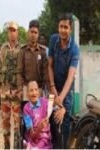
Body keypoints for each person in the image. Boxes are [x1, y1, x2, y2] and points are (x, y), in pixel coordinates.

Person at [48, 13, 79, 148]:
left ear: (70, 29)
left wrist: (60, 99)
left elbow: (71, 76)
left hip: (66, 94)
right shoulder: (53, 40)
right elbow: (49, 65)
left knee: (64, 124)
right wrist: (53, 89)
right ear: (58, 27)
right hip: (52, 89)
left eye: (66, 27)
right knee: (50, 121)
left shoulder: (74, 50)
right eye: (61, 27)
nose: (63, 30)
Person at [0, 21, 21, 149]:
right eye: (10, 30)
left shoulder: (21, 49)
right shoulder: (3, 49)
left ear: (17, 33)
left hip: (17, 93)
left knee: (18, 125)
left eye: (14, 30)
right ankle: (7, 147)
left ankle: (17, 146)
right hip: (5, 92)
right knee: (5, 124)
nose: (12, 33)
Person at [17, 20, 47, 100]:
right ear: (28, 33)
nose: (33, 35)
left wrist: (45, 90)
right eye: (31, 32)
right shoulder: (22, 51)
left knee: (39, 112)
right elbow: (19, 72)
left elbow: (45, 72)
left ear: (38, 34)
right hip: (26, 89)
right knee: (27, 111)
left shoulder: (43, 51)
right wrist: (20, 90)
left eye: (35, 32)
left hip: (39, 89)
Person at [23, 81, 52, 149]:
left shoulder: (45, 102)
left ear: (39, 92)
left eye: (36, 89)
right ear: (27, 94)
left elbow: (53, 101)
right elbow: (32, 135)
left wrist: (62, 108)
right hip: (33, 137)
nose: (34, 93)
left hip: (45, 138)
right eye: (31, 90)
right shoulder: (26, 108)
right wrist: (40, 128)